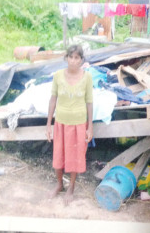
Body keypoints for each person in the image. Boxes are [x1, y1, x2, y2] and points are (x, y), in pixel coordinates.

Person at [46, 44, 93, 205]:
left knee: (75, 156)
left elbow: (89, 102)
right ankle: (59, 184)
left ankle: (71, 186)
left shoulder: (87, 77)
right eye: (71, 57)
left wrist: (90, 127)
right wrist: (48, 125)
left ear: (81, 60)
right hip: (61, 123)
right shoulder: (58, 75)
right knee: (58, 155)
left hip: (79, 124)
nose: (73, 61)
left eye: (77, 57)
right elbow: (53, 100)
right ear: (66, 58)